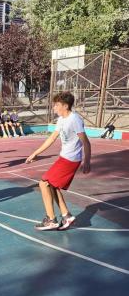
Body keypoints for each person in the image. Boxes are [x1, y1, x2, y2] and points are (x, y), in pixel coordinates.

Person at [25, 91, 91, 231]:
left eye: (56, 105)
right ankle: (66, 215)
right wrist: (35, 153)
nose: (54, 107)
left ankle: (51, 219)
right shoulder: (61, 120)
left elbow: (86, 142)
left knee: (43, 184)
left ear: (65, 106)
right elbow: (51, 138)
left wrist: (87, 161)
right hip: (64, 157)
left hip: (71, 159)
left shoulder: (75, 119)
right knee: (52, 186)